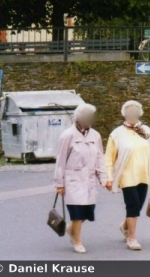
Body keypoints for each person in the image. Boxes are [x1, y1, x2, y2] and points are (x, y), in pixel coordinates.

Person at [105, 100, 150, 251]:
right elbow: (108, 159)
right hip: (127, 176)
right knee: (133, 204)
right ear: (125, 114)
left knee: (138, 206)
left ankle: (125, 226)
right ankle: (132, 238)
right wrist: (109, 177)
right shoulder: (116, 134)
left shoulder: (146, 131)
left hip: (144, 175)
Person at [53, 103, 106, 254]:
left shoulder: (95, 135)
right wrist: (59, 183)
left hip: (89, 179)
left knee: (87, 212)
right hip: (73, 180)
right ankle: (77, 241)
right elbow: (60, 161)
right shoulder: (67, 136)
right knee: (77, 212)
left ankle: (71, 229)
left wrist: (103, 177)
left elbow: (100, 157)